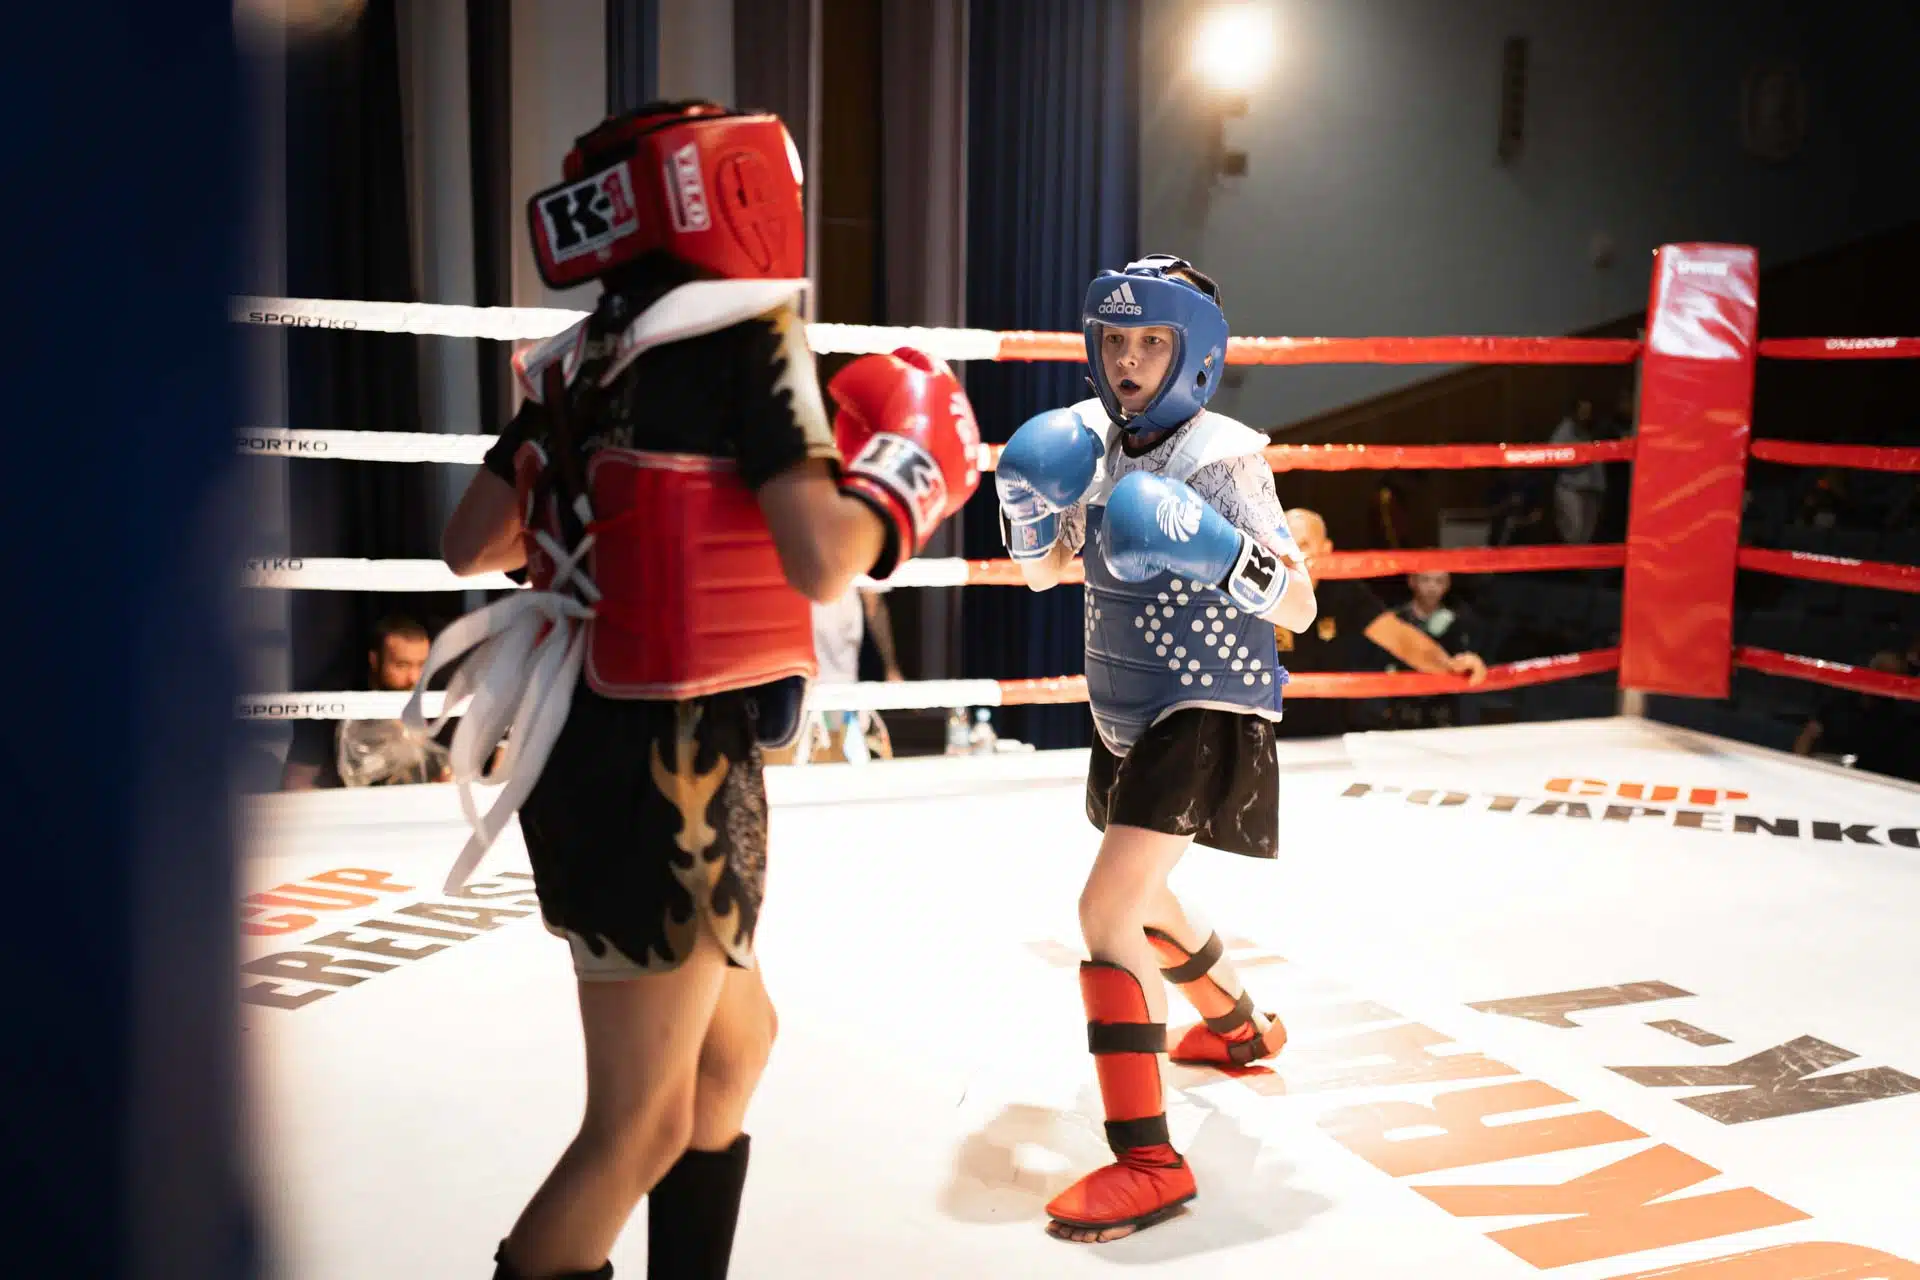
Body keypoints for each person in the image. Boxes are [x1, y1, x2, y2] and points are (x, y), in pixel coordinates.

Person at [413, 101, 981, 1280]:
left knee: (734, 1052)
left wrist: (599, 531)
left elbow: (469, 543)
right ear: (736, 190)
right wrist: (910, 470)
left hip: (581, 740)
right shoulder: (748, 335)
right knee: (637, 1124)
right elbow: (822, 557)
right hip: (672, 766)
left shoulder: (580, 358)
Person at [995, 255, 1317, 1244]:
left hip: (1207, 701)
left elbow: (1302, 604)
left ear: (1197, 355)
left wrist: (1215, 549)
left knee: (1107, 908)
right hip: (1128, 701)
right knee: (1149, 896)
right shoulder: (1086, 444)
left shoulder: (1223, 458)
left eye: (1151, 342)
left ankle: (1149, 1160)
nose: (1128, 361)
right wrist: (1025, 510)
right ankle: (1241, 1029)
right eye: (1115, 341)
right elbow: (1047, 573)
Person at [1271, 510, 1488, 739]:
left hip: (1330, 730)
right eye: (1285, 544)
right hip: (1269, 730)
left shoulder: (1343, 592)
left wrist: (1449, 665)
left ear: (1326, 550)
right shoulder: (1261, 589)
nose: (1292, 554)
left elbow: (1399, 638)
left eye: (1303, 545)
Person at [281, 613, 450, 789]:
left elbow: (446, 774)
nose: (413, 678)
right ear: (374, 660)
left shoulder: (434, 700)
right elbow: (294, 782)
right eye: (401, 665)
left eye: (421, 665)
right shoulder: (334, 701)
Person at [1382, 570, 1480, 729]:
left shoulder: (1458, 620)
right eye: (1425, 580)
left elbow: (1464, 662)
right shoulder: (1395, 619)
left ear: (1447, 584)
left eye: (1439, 581)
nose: (1432, 587)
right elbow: (1383, 661)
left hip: (1442, 703)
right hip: (1403, 701)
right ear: (1412, 581)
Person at [1550, 398, 1606, 544]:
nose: (1586, 415)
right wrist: (1580, 461)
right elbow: (1554, 455)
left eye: (1589, 411)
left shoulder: (1596, 430)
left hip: (1592, 489)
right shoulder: (1564, 431)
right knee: (1574, 532)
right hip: (1571, 488)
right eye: (1583, 411)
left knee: (1587, 535)